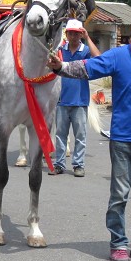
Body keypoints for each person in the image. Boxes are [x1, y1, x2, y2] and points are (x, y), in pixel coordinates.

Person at [48, 8, 131, 261]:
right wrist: (61, 67)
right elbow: (88, 68)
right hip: (123, 139)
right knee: (119, 194)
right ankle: (119, 243)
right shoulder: (119, 56)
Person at [48, 19, 101, 177]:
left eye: (76, 33)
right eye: (70, 33)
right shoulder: (60, 50)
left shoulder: (85, 51)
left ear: (81, 34)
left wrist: (88, 37)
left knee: (80, 136)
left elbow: (98, 58)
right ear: (67, 34)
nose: (73, 36)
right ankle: (59, 164)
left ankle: (78, 165)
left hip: (79, 101)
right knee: (60, 135)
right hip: (61, 100)